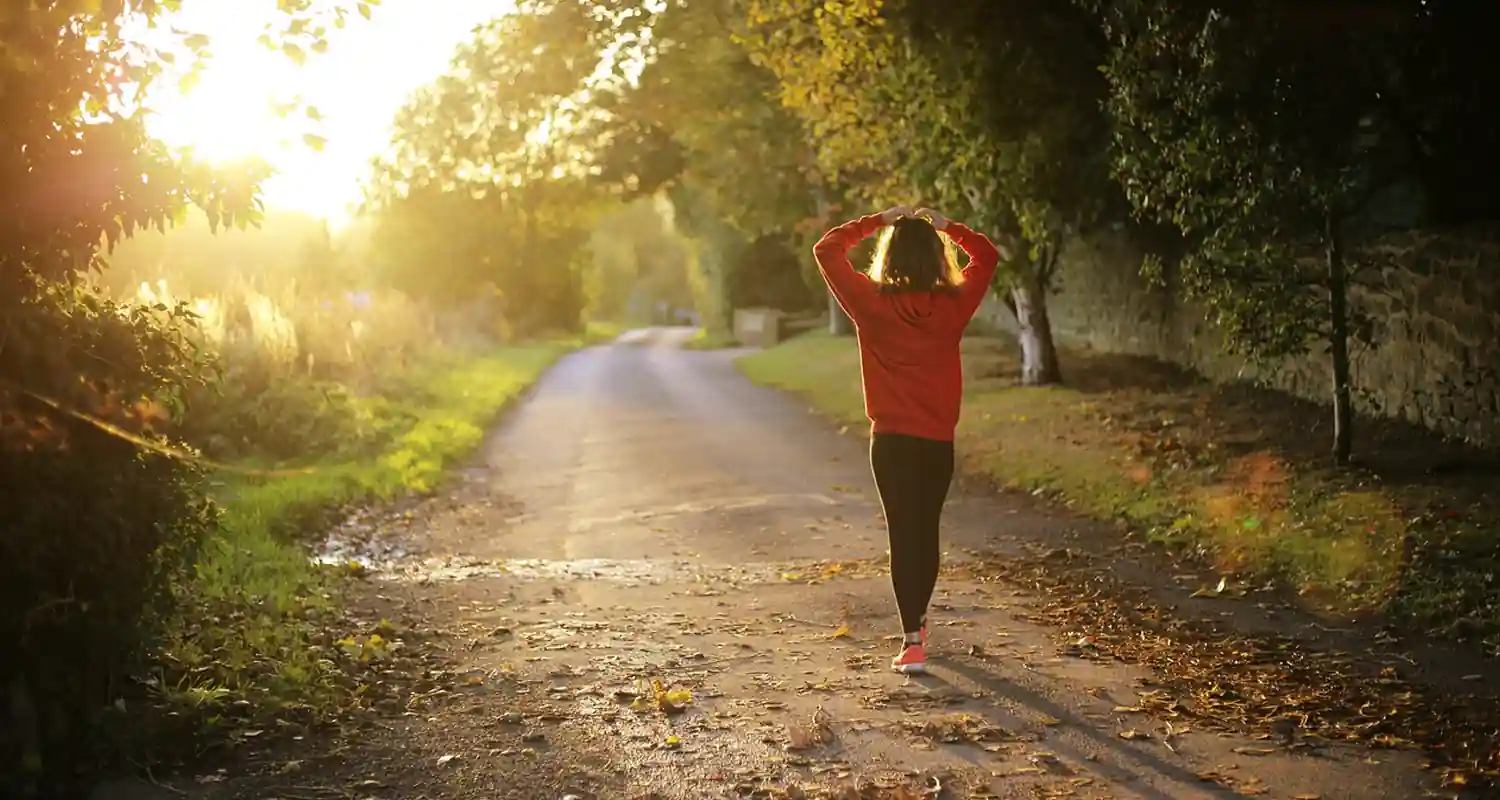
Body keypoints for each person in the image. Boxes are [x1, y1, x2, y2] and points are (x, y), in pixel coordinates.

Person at [812, 204, 1001, 674]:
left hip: (892, 442)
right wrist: (947, 226)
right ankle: (918, 622)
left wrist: (877, 220)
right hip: (937, 441)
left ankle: (912, 640)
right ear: (937, 258)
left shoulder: (870, 303)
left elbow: (827, 249)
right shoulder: (954, 306)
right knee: (926, 531)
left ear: (889, 257)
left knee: (903, 533)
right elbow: (987, 256)